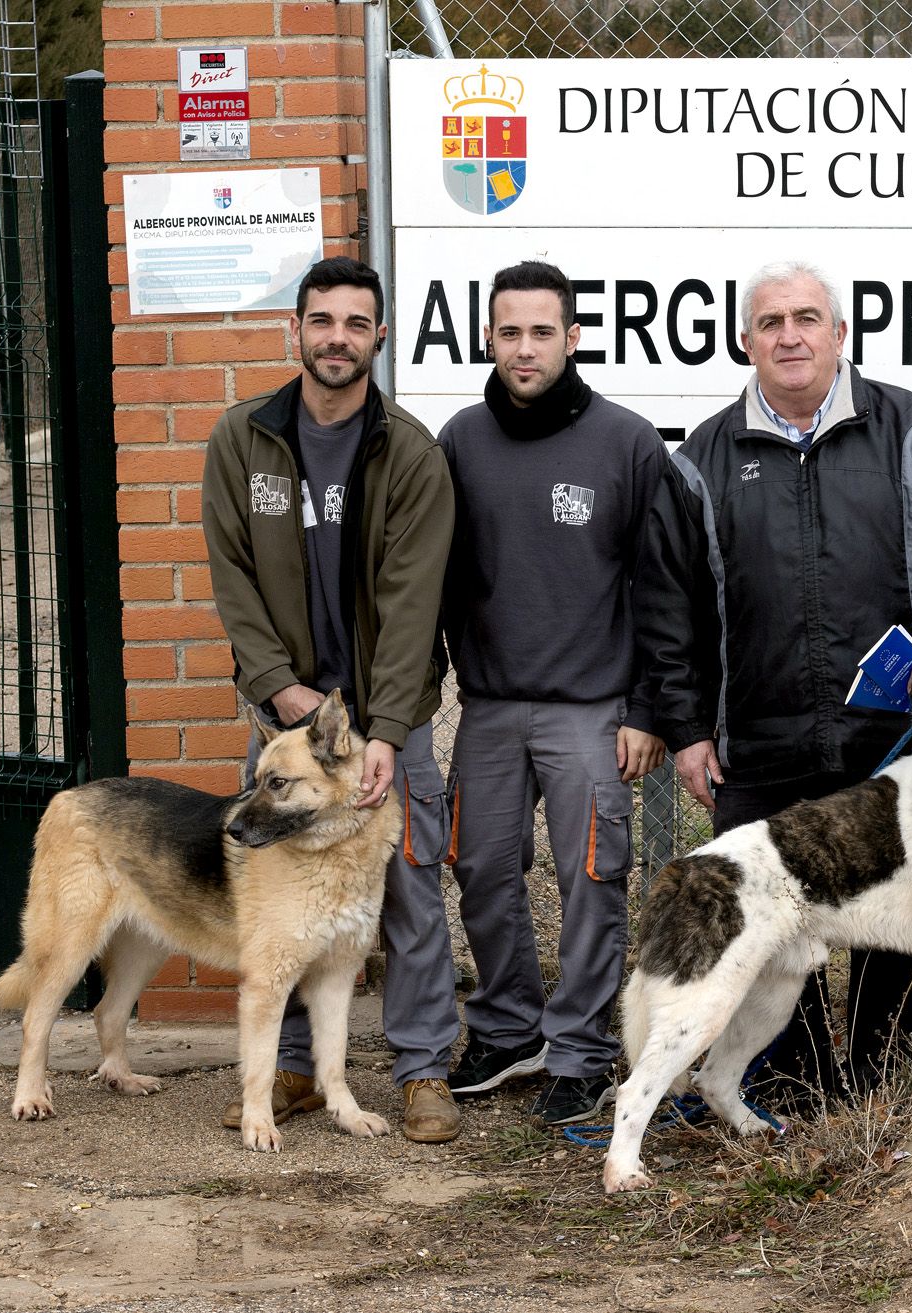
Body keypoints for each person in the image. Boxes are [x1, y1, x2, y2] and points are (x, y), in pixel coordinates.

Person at [636, 259, 912, 1102]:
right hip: (759, 742)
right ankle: (796, 1084)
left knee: (905, 909)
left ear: (840, 334)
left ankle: (878, 1079)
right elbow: (666, 610)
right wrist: (688, 730)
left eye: (807, 318)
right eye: (770, 323)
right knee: (769, 922)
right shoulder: (699, 462)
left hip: (893, 741)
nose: (790, 336)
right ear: (745, 341)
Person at [200, 256, 464, 1143]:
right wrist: (279, 688)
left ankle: (423, 1068)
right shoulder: (243, 438)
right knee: (284, 900)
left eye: (356, 323)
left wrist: (382, 730)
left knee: (410, 895)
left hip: (386, 725)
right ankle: (295, 1069)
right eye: (322, 320)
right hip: (287, 722)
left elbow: (414, 604)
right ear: (296, 329)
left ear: (379, 336)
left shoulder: (411, 452)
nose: (337, 338)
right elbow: (232, 577)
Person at [436, 260, 668, 1126]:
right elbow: (431, 576)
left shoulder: (626, 442)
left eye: (542, 332)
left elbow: (664, 588)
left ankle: (579, 1051)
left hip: (592, 709)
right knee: (480, 868)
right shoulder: (459, 440)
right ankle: (507, 1028)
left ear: (572, 337)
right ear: (487, 339)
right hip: (490, 705)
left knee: (592, 880)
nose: (525, 348)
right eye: (510, 332)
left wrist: (648, 706)